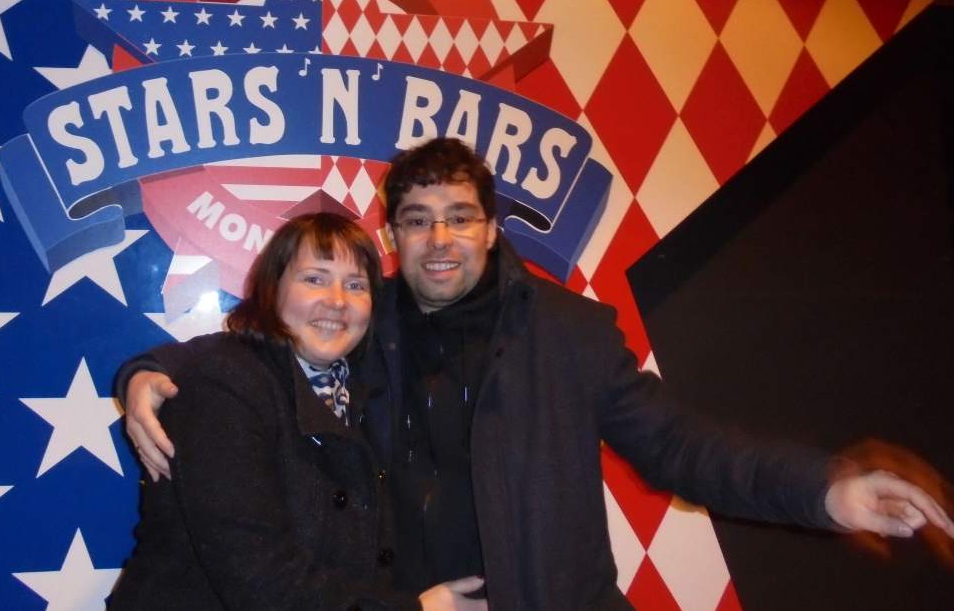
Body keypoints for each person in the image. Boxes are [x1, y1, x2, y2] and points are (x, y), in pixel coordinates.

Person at [119, 138, 954, 609]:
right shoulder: (365, 322)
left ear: (491, 230)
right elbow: (267, 346)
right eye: (417, 221)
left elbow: (680, 446)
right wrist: (152, 369)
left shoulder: (570, 333)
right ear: (394, 237)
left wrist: (822, 490)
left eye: (459, 218)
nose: (439, 241)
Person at [110, 211, 486, 611]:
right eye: (315, 279)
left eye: (355, 285)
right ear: (273, 289)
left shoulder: (354, 388)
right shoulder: (224, 384)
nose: (337, 301)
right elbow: (259, 579)